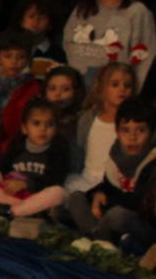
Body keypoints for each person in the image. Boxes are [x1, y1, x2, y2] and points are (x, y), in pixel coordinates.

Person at [63, 0, 156, 93]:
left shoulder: (137, 12)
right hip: (80, 91)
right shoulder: (82, 10)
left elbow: (144, 61)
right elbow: (69, 47)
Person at [66, 97, 156, 243]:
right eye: (125, 130)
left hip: (140, 221)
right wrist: (98, 193)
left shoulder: (152, 161)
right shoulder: (117, 154)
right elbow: (109, 185)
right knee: (76, 197)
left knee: (116, 215)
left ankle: (97, 238)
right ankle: (96, 236)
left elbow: (139, 201)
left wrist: (107, 201)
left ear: (151, 133)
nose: (132, 137)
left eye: (141, 130)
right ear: (117, 131)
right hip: (112, 211)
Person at [0, 98, 67, 218]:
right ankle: (15, 209)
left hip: (37, 197)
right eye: (36, 123)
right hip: (14, 194)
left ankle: (12, 212)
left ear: (56, 129)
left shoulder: (58, 150)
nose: (43, 129)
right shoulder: (17, 145)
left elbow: (54, 180)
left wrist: (27, 184)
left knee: (59, 192)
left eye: (49, 124)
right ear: (24, 128)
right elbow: (3, 164)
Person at [0, 28, 41, 168]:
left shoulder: (32, 88)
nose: (14, 61)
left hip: (13, 152)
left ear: (28, 59)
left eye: (20, 57)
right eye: (8, 56)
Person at [70, 61, 136, 197]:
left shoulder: (134, 123)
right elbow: (79, 152)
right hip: (87, 180)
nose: (122, 89)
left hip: (116, 184)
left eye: (127, 85)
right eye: (115, 85)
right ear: (102, 87)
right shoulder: (87, 119)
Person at [44, 63, 85, 146]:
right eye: (52, 88)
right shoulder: (38, 116)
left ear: (77, 92)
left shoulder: (82, 121)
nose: (57, 94)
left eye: (65, 89)